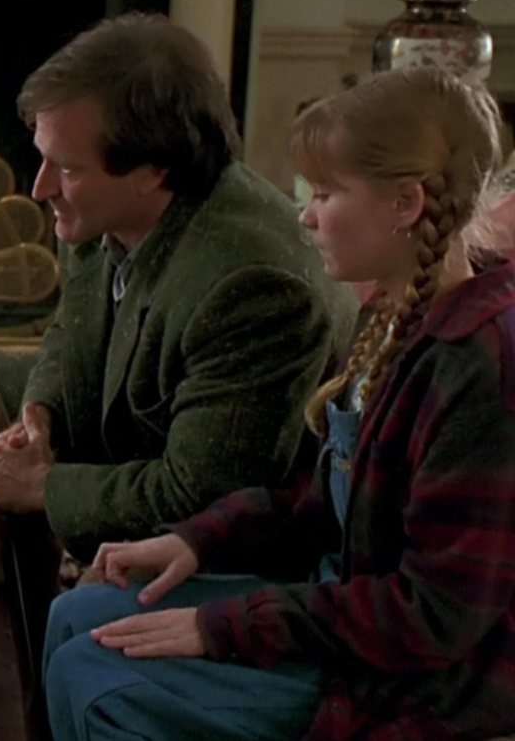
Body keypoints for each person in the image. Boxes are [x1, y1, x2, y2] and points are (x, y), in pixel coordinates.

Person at [42, 66, 515, 741]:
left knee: (95, 678)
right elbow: (323, 500)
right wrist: (195, 540)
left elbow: (435, 616)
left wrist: (224, 628)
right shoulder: (391, 313)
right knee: (75, 614)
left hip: (416, 679)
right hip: (337, 612)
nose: (306, 215)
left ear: (405, 203)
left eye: (325, 193)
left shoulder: (479, 364)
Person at [0, 14, 356, 646]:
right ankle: (15, 633)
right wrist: (41, 414)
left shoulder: (255, 287)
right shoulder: (102, 207)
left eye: (66, 168)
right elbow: (70, 330)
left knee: (73, 585)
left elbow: (201, 495)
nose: (40, 188)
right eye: (43, 159)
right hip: (145, 422)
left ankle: (65, 629)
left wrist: (44, 487)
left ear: (152, 169)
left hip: (235, 527)